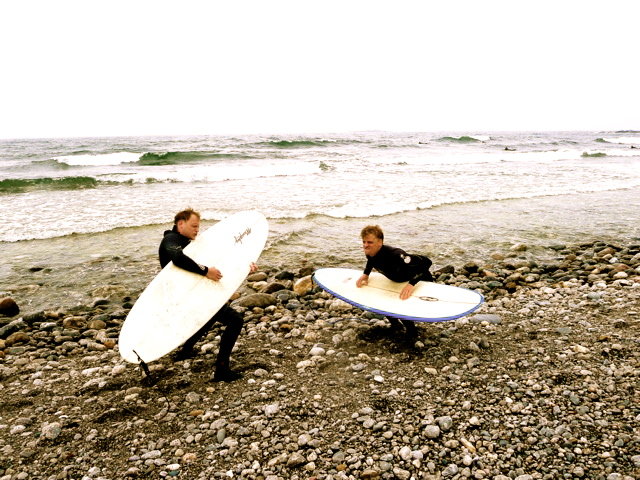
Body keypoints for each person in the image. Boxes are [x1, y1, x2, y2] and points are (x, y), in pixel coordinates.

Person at [159, 208, 255, 382]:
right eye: (194, 226)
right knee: (235, 320)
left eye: (198, 226)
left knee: (209, 318)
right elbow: (178, 258)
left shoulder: (189, 244)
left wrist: (244, 269)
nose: (197, 230)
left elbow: (218, 262)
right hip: (185, 297)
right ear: (180, 224)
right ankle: (222, 370)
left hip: (194, 293)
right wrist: (205, 271)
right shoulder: (170, 240)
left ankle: (186, 350)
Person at [356, 225, 434, 337]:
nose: (365, 245)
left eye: (369, 242)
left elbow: (427, 263)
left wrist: (411, 284)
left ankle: (412, 332)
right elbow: (371, 261)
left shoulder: (396, 255)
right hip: (398, 280)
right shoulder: (370, 252)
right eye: (364, 242)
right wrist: (366, 274)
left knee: (400, 305)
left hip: (419, 279)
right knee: (385, 301)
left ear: (380, 242)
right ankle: (396, 325)